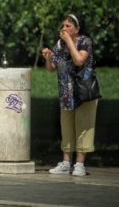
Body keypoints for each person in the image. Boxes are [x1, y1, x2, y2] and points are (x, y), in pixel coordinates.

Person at [41, 14, 99, 176]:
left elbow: (79, 60)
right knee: (66, 127)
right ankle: (66, 162)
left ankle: (79, 164)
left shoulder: (84, 42)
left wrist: (68, 42)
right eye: (63, 25)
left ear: (77, 29)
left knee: (83, 127)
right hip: (66, 92)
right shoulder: (60, 44)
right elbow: (52, 67)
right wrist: (48, 58)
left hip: (83, 91)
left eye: (68, 26)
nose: (64, 28)